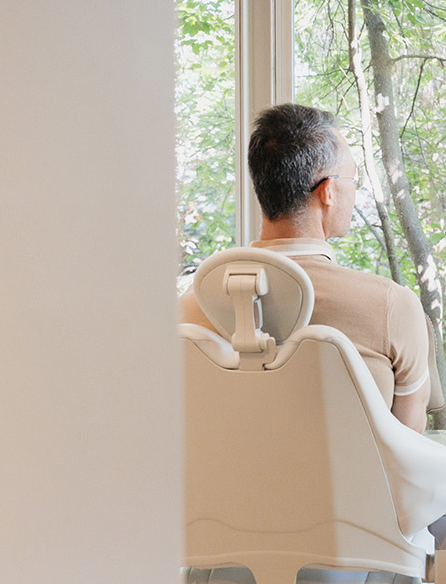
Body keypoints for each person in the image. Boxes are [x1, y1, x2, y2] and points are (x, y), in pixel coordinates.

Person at [181, 103, 431, 431]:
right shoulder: (390, 305)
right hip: (354, 484)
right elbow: (409, 448)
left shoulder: (190, 308)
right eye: (353, 178)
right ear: (327, 191)